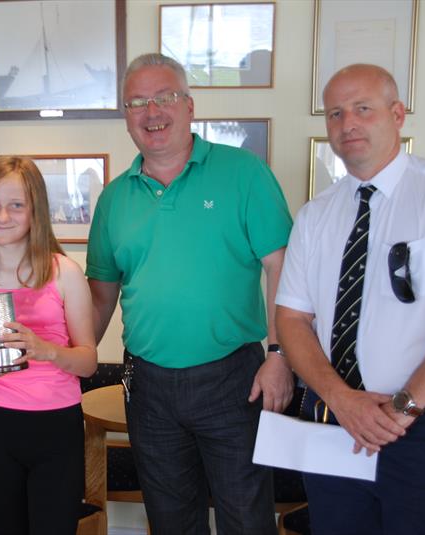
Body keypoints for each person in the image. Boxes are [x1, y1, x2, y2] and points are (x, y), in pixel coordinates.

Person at [275, 63, 425, 534]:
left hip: (423, 430)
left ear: (397, 114)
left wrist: (403, 408)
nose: (347, 124)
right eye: (335, 114)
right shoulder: (316, 215)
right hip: (335, 425)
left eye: (363, 109)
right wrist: (341, 400)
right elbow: (292, 318)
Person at [86, 53, 294, 535]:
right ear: (125, 115)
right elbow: (100, 299)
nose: (152, 112)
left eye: (165, 97)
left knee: (247, 519)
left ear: (190, 106)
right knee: (170, 522)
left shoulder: (244, 174)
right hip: (149, 388)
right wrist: (70, 360)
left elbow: (284, 269)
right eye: (137, 102)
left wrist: (280, 354)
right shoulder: (114, 199)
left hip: (234, 380)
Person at [0, 156, 97, 535]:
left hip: (57, 428)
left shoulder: (64, 272)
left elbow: (87, 362)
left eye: (16, 205)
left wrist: (46, 350)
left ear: (35, 210)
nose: (2, 215)